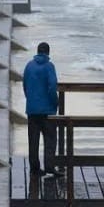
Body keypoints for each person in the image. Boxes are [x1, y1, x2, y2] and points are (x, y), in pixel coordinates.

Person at [23, 42, 62, 177]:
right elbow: (52, 87)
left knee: (33, 140)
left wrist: (31, 100)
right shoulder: (49, 66)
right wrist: (55, 103)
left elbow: (25, 85)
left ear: (38, 51)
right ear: (48, 53)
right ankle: (50, 167)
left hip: (32, 110)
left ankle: (35, 169)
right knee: (50, 140)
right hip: (47, 111)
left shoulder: (29, 65)